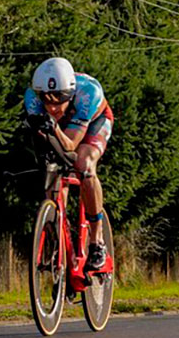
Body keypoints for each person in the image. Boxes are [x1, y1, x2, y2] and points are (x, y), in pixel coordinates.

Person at [24, 57, 113, 270]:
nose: (52, 107)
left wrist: (53, 127)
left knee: (84, 164)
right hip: (61, 126)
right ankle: (59, 241)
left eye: (59, 101)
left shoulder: (88, 94)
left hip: (94, 122)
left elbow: (71, 144)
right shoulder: (32, 97)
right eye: (47, 101)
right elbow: (42, 141)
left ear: (70, 96)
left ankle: (96, 239)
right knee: (51, 169)